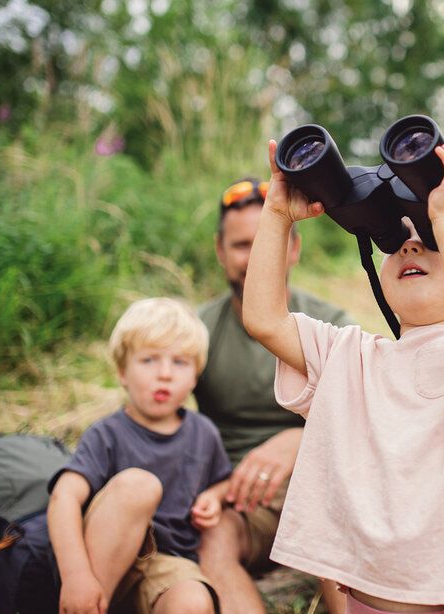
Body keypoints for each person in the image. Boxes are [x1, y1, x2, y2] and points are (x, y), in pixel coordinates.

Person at [243, 139, 444, 613]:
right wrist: (276, 215)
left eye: (432, 238)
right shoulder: (349, 357)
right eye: (395, 240)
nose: (411, 243)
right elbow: (264, 319)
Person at [194, 176, 354, 614]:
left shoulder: (330, 321)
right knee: (214, 539)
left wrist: (297, 440)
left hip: (324, 483)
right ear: (220, 251)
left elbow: (367, 413)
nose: (252, 258)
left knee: (334, 502)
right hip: (241, 499)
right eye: (242, 244)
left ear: (295, 248)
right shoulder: (197, 329)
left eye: (268, 240)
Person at [46, 297, 232, 614]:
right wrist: (76, 575)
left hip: (168, 563)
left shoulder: (204, 432)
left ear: (195, 377)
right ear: (122, 372)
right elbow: (64, 498)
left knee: (193, 602)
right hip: (103, 562)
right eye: (149, 360)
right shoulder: (106, 434)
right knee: (139, 486)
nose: (164, 374)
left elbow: (223, 480)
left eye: (180, 362)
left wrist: (214, 497)